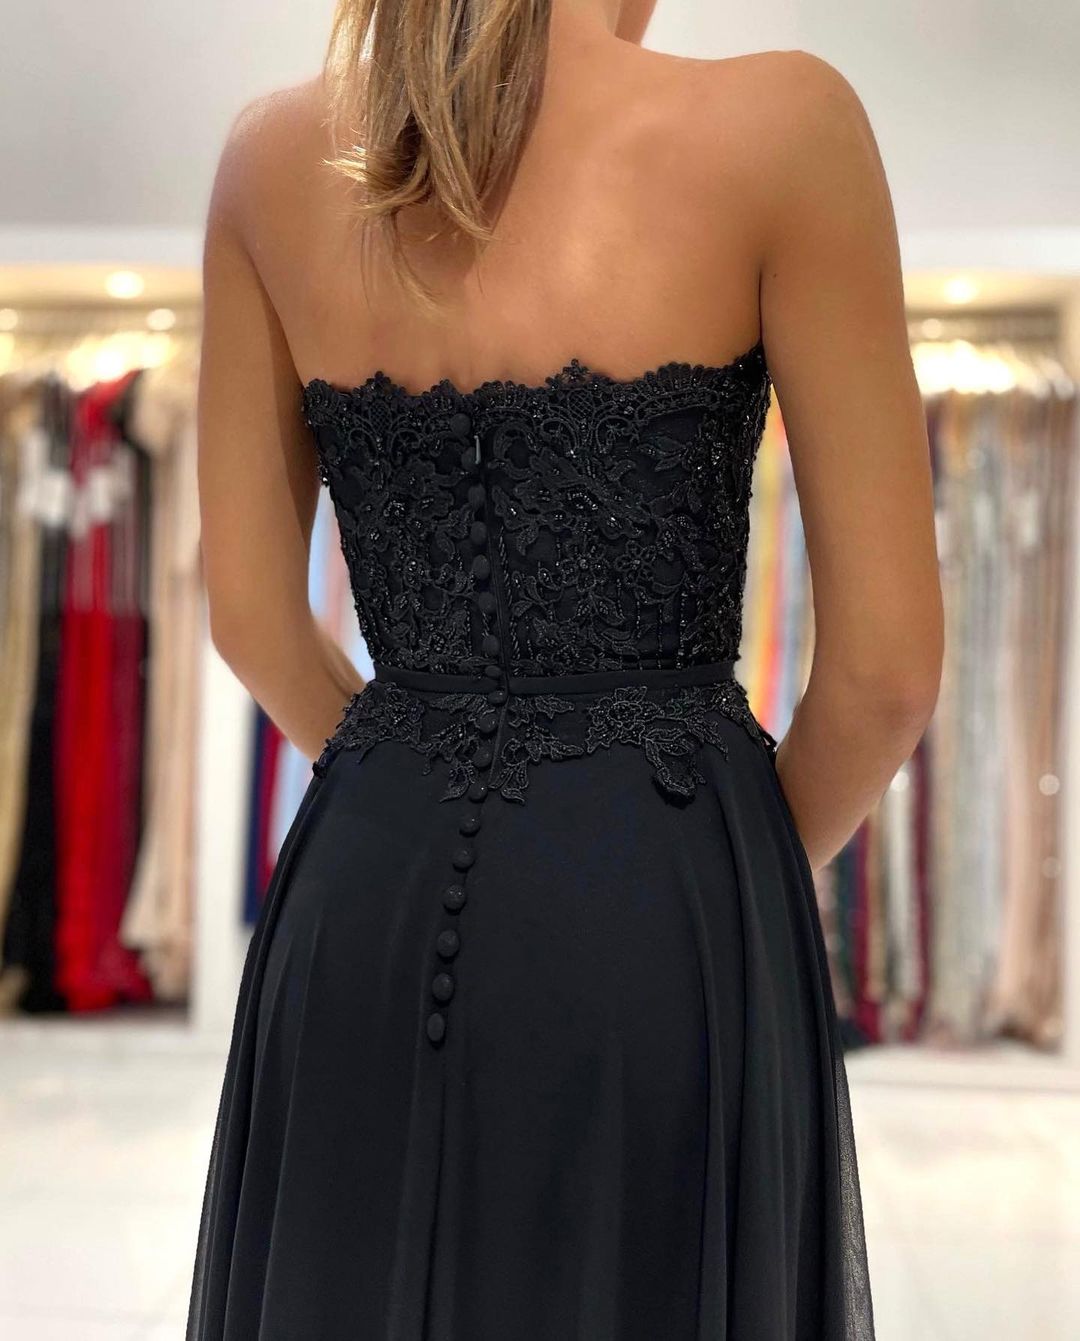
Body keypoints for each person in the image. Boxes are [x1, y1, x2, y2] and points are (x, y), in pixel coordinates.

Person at [189, 2, 943, 1337]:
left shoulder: (267, 161)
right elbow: (885, 672)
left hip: (363, 895)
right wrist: (722, 871)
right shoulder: (786, 129)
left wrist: (400, 782)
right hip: (661, 911)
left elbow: (251, 611)